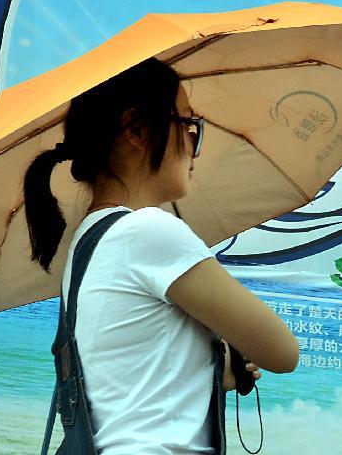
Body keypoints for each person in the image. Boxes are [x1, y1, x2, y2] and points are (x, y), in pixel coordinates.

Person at [24, 58, 299, 453]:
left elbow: (136, 369)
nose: (194, 147)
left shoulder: (91, 240)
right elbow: (282, 351)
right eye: (188, 125)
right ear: (137, 129)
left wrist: (214, 364)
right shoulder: (149, 231)